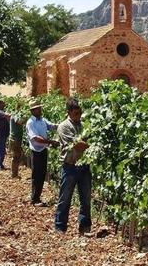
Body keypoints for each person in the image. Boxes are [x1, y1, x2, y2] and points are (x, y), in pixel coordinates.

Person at [54, 98, 90, 234]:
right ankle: (60, 227)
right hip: (70, 167)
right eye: (75, 113)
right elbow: (77, 145)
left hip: (84, 166)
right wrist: (94, 145)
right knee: (65, 198)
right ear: (69, 112)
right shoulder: (63, 127)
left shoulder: (83, 124)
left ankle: (85, 227)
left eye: (79, 113)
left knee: (86, 198)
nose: (78, 116)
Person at [26, 99, 58, 206]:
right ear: (33, 110)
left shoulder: (42, 120)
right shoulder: (31, 123)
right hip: (36, 151)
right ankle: (34, 199)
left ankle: (37, 197)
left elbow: (52, 126)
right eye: (38, 108)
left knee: (42, 173)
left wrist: (63, 125)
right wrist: (50, 142)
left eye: (40, 108)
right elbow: (35, 138)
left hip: (43, 150)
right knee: (37, 175)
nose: (41, 109)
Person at [0, 99, 11, 170]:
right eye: (3, 104)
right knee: (1, 149)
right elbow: (8, 116)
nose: (4, 106)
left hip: (0, 133)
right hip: (1, 133)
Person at [9, 106, 27, 179]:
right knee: (16, 156)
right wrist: (26, 118)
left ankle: (15, 173)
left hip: (15, 139)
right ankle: (14, 174)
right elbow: (19, 121)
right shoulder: (16, 114)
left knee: (16, 156)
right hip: (15, 139)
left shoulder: (14, 114)